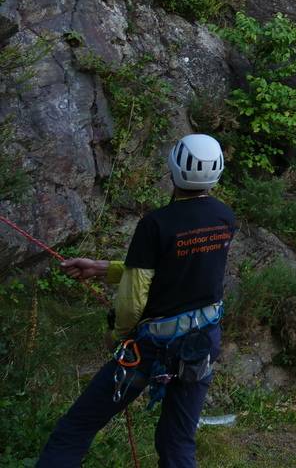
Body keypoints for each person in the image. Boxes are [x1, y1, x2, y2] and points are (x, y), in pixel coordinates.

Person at [35, 134, 236, 468]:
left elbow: (134, 295)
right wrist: (102, 268)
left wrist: (122, 335)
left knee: (77, 427)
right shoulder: (224, 218)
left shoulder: (155, 225)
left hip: (150, 350)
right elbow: (179, 268)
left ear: (173, 168)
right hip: (201, 344)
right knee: (176, 443)